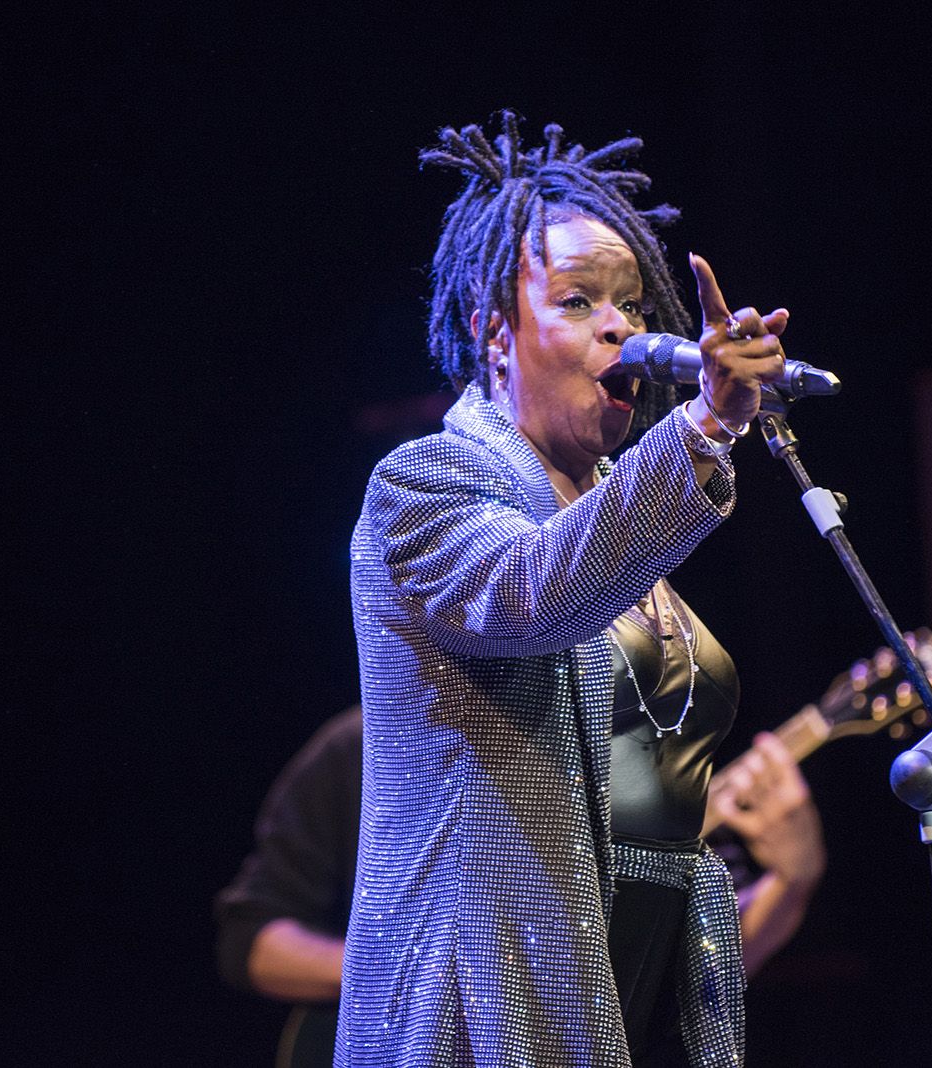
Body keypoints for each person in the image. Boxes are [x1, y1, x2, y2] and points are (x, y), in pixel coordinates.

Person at [339, 112, 797, 1067]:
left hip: (632, 1009)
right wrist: (707, 432)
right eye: (580, 300)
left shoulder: (615, 524)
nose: (623, 327)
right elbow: (530, 594)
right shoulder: (424, 486)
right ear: (494, 331)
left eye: (631, 303)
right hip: (485, 1009)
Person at [213, 709, 825, 1064]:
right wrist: (417, 977)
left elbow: (698, 976)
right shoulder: (363, 748)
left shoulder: (628, 756)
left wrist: (793, 881)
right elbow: (253, 942)